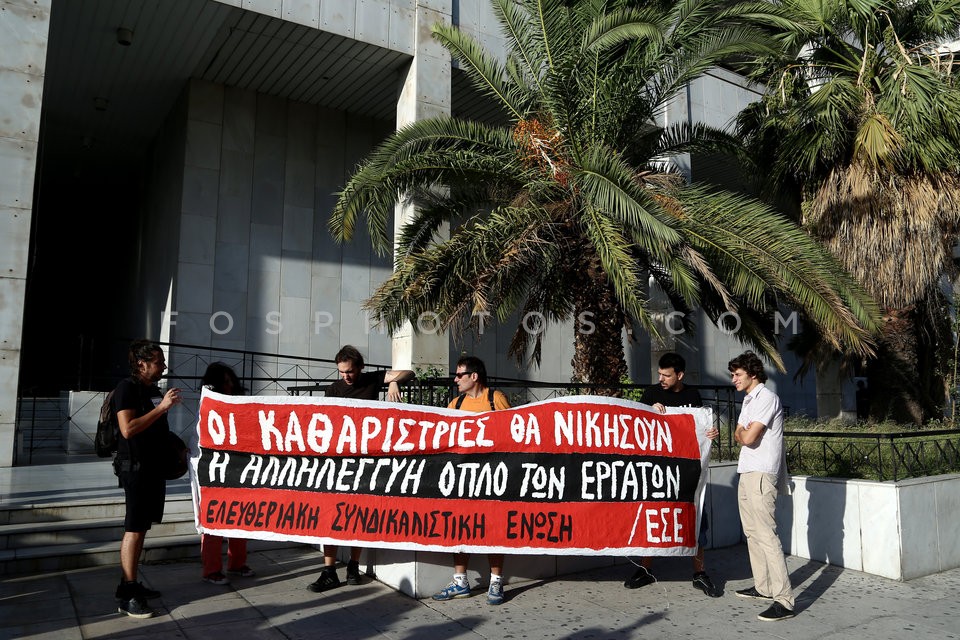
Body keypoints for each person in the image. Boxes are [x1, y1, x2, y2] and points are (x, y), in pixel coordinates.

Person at [307, 345, 415, 593]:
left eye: (350, 371)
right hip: (339, 459)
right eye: (342, 371)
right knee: (330, 514)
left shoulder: (372, 379)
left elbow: (409, 372)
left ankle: (353, 566)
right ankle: (329, 570)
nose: (346, 376)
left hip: (364, 460)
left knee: (359, 513)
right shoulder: (333, 389)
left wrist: (393, 382)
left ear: (360, 368)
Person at [625, 353, 721, 597]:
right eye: (659, 374)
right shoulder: (651, 394)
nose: (661, 379)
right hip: (658, 471)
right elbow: (637, 429)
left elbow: (699, 428)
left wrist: (710, 433)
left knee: (696, 519)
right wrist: (648, 412)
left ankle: (699, 573)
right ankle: (645, 569)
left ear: (680, 375)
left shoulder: (693, 395)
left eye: (666, 375)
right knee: (652, 516)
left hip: (687, 472)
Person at [432, 356, 511, 605]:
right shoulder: (455, 404)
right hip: (462, 479)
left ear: (474, 376)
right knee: (459, 527)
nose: (455, 380)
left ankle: (496, 582)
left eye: (459, 375)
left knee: (493, 528)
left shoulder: (495, 399)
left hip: (491, 477)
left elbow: (511, 434)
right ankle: (460, 581)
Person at [113, 340, 182, 618]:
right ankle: (128, 595)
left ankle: (128, 584)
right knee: (134, 527)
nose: (163, 366)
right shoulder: (126, 388)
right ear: (141, 364)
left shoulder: (152, 390)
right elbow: (128, 429)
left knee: (142, 527)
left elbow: (157, 430)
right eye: (158, 361)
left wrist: (179, 447)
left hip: (153, 468)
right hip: (135, 469)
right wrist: (162, 407)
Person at [728, 351, 795, 621]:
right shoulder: (749, 400)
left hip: (762, 472)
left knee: (767, 534)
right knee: (752, 532)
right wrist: (742, 432)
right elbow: (738, 432)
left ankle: (784, 600)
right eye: (733, 375)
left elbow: (747, 437)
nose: (733, 379)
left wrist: (742, 432)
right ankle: (764, 587)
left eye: (737, 375)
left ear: (753, 374)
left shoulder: (767, 398)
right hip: (747, 470)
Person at [199, 362, 255, 586]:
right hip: (214, 471)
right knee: (213, 520)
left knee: (240, 517)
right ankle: (211, 569)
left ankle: (237, 563)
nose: (230, 386)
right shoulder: (207, 406)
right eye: (225, 382)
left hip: (237, 469)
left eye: (231, 381)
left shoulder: (241, 405)